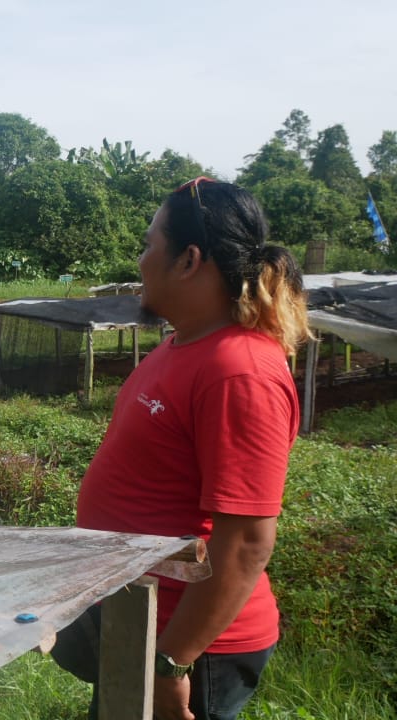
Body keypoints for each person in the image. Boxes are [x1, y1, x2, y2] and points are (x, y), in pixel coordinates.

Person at [49, 179, 310, 720]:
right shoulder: (182, 343)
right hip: (138, 619)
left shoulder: (239, 371)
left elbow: (245, 544)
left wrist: (172, 662)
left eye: (149, 245)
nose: (141, 260)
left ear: (189, 260)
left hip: (192, 644)